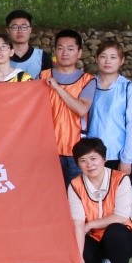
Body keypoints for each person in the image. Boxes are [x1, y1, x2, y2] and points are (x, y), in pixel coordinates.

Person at [68, 138, 132, 263]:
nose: (89, 164)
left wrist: (90, 225)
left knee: (115, 231)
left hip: (125, 237)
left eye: (93, 158)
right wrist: (79, 258)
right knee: (73, 241)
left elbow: (121, 217)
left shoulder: (121, 179)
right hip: (95, 239)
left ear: (104, 159)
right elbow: (78, 223)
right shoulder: (75, 185)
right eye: (83, 160)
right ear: (78, 164)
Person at [41, 30, 95, 187]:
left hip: (76, 151)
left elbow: (81, 109)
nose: (65, 53)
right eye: (60, 48)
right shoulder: (42, 77)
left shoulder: (87, 80)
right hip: (47, 151)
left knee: (76, 196)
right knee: (49, 196)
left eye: (70, 49)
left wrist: (57, 88)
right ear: (55, 51)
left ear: (79, 53)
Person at [85, 41, 132, 179]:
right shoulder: (88, 84)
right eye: (103, 56)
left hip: (118, 156)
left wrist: (127, 159)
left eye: (113, 57)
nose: (107, 61)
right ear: (97, 59)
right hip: (91, 156)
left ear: (121, 61)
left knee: (120, 193)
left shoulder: (128, 88)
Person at [0, 10, 52, 78]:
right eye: (15, 27)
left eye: (24, 27)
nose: (20, 31)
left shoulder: (42, 57)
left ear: (30, 30)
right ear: (8, 31)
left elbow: (48, 82)